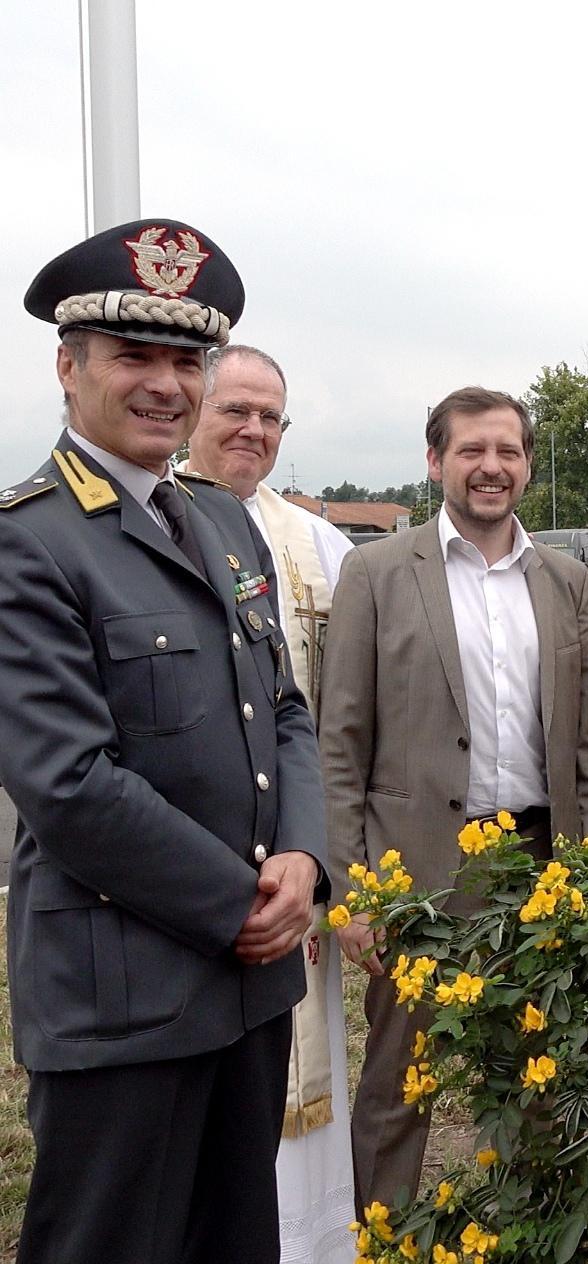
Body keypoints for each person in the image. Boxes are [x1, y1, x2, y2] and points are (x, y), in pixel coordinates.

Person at [0, 219, 327, 1264]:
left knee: (236, 1241)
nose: (164, 385)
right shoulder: (28, 542)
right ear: (69, 365)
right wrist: (242, 901)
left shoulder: (221, 521)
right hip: (123, 995)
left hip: (249, 985)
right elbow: (70, 785)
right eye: (132, 357)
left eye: (185, 360)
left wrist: (307, 859)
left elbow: (284, 708)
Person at [320, 386, 588, 1212]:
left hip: (539, 865)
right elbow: (339, 743)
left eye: (508, 452)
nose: (491, 468)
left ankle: (522, 1224)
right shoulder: (376, 573)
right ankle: (379, 1232)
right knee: (399, 1078)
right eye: (471, 451)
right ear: (435, 462)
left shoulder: (564, 581)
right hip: (416, 872)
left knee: (534, 1067)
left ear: (527, 463)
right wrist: (351, 891)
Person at [185, 344, 355, 1263]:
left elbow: (329, 718)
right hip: (187, 869)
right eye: (235, 410)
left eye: (271, 418)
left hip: (297, 869)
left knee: (303, 1072)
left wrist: (322, 861)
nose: (253, 430)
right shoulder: (148, 515)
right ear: (193, 408)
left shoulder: (318, 542)